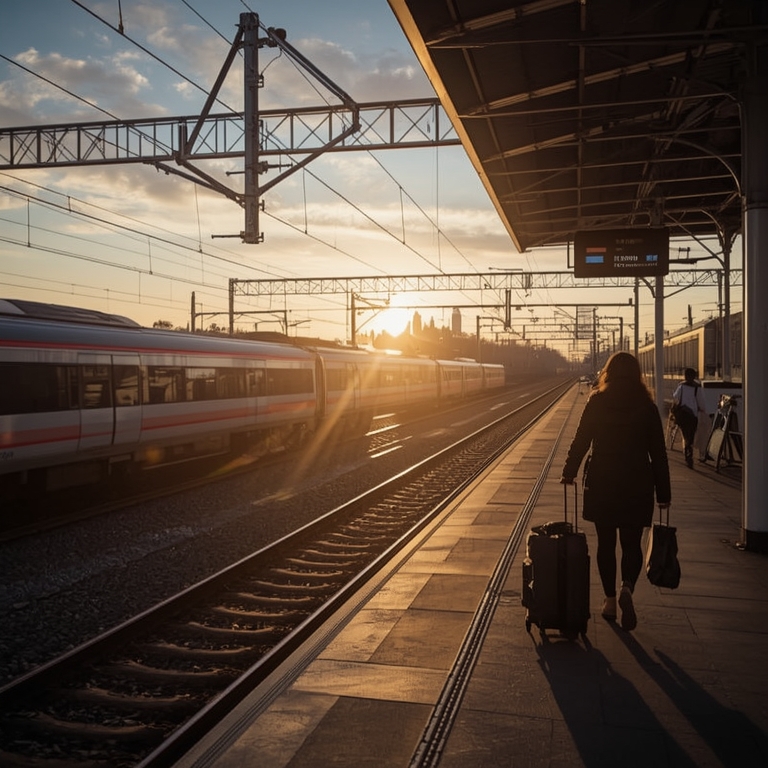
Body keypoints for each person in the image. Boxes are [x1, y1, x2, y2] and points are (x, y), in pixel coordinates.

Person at [560, 351, 671, 631]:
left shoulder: (597, 401)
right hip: (637, 483)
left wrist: (569, 471)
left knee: (606, 543)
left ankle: (609, 600)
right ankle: (627, 588)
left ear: (607, 372)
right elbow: (658, 454)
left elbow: (581, 439)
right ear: (637, 375)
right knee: (632, 543)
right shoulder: (647, 407)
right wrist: (664, 493)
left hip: (602, 481)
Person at [672, 368, 707, 467]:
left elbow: (676, 397)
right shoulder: (697, 387)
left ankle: (687, 452)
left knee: (685, 433)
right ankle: (689, 453)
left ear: (685, 376)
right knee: (690, 434)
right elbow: (701, 402)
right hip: (692, 416)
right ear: (694, 376)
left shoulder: (681, 386)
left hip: (682, 414)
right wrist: (702, 409)